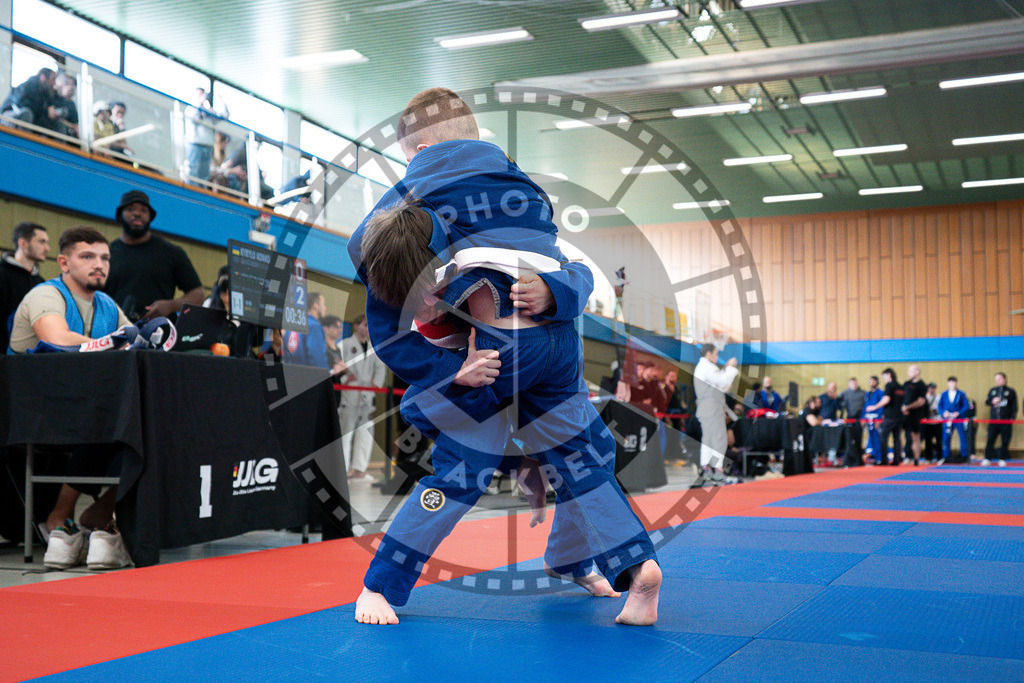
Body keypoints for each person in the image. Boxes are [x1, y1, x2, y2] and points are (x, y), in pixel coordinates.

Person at [348, 87, 659, 627]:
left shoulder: (417, 185)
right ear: (473, 134)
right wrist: (555, 295)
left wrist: (446, 373)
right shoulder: (526, 189)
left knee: (459, 474)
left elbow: (365, 251)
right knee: (587, 458)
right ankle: (609, 561)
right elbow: (577, 274)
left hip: (491, 348)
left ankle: (382, 587)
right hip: (559, 341)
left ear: (416, 147)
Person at [9, 227, 134, 570]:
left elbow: (133, 348)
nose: (99, 265)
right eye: (88, 256)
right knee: (114, 415)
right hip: (31, 407)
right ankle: (61, 517)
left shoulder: (107, 304)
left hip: (83, 403)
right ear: (63, 262)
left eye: (105, 258)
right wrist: (118, 344)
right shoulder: (45, 294)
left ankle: (100, 513)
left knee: (149, 417)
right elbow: (58, 338)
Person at [103, 189, 205, 322]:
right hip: (115, 334)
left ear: (150, 217)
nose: (137, 214)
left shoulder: (171, 252)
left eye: (143, 210)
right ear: (120, 215)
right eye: (130, 209)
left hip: (160, 335)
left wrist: (170, 306)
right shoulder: (106, 254)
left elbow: (198, 295)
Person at [339, 314, 386, 482]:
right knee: (346, 433)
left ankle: (359, 469)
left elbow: (381, 367)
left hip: (367, 393)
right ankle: (342, 470)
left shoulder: (374, 348)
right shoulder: (344, 345)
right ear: (356, 325)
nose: (368, 328)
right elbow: (336, 366)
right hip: (349, 392)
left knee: (365, 432)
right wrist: (344, 379)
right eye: (365, 325)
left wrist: (377, 383)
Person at [0, 222, 49, 353]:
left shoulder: (41, 282)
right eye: (41, 242)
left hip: (30, 359)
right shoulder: (2, 275)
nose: (47, 248)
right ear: (23, 243)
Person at [693, 343, 739, 484]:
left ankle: (707, 469)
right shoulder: (706, 367)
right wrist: (730, 368)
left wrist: (725, 372)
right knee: (719, 439)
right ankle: (717, 470)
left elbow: (720, 384)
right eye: (716, 354)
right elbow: (723, 381)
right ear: (709, 354)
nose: (717, 357)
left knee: (709, 440)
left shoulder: (703, 367)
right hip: (711, 408)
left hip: (708, 408)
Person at [183, 87, 225, 183]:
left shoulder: (209, 111)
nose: (202, 97)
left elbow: (224, 115)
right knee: (193, 171)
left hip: (208, 145)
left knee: (204, 174)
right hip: (195, 144)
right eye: (199, 95)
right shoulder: (190, 108)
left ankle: (202, 191)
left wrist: (219, 98)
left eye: (203, 95)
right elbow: (194, 117)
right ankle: (191, 191)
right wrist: (199, 103)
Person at [282, 291, 329, 369]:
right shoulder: (314, 326)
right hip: (308, 376)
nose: (325, 308)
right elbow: (316, 357)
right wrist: (325, 375)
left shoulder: (292, 325)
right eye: (323, 304)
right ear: (315, 306)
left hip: (290, 374)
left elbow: (285, 353)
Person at [867, 368, 904, 465]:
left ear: (888, 375)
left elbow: (886, 399)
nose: (883, 379)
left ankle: (884, 460)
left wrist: (874, 407)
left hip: (890, 416)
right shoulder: (900, 387)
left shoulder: (889, 385)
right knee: (897, 438)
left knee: (883, 437)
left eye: (884, 376)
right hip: (899, 416)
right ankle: (897, 460)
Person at [985, 372, 1017, 465]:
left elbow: (1014, 406)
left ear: (1004, 379)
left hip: (1005, 421)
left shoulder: (1010, 391)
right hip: (994, 420)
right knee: (990, 439)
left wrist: (1012, 418)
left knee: (1005, 440)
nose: (998, 381)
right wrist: (992, 401)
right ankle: (987, 458)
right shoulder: (993, 390)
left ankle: (1002, 458)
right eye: (996, 380)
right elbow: (987, 402)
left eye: (1000, 379)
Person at [937, 376, 970, 464]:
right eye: (950, 382)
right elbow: (940, 406)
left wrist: (958, 413)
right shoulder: (944, 394)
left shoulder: (961, 394)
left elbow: (966, 406)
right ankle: (946, 456)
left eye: (954, 382)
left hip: (958, 419)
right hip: (948, 419)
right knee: (946, 437)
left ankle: (964, 456)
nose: (952, 384)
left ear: (956, 383)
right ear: (948, 383)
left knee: (963, 437)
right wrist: (943, 413)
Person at [901, 364, 928, 466]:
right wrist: (903, 408)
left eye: (911, 371)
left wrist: (908, 407)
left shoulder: (922, 385)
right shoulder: (906, 384)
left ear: (917, 372)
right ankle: (901, 456)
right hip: (904, 414)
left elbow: (921, 401)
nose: (908, 373)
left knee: (915, 437)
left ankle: (916, 459)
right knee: (898, 433)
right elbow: (902, 398)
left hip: (915, 415)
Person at [839, 377, 866, 467]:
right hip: (850, 418)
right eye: (852, 383)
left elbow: (867, 405)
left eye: (855, 383)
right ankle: (849, 460)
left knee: (859, 439)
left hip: (860, 418)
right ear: (849, 384)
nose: (854, 385)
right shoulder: (845, 393)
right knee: (849, 440)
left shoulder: (863, 393)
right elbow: (838, 401)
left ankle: (859, 459)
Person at [43, 72, 78, 137]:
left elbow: (75, 124)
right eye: (67, 84)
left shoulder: (71, 104)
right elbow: (52, 116)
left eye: (73, 85)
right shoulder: (51, 97)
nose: (71, 87)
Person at [861, 376, 884, 463]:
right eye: (870, 382)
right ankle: (873, 455)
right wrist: (862, 418)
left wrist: (878, 419)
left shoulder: (880, 393)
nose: (871, 383)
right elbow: (865, 407)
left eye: (873, 381)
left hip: (876, 418)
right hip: (868, 418)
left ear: (877, 382)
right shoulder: (868, 394)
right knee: (870, 437)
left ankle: (879, 457)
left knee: (877, 438)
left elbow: (881, 407)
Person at [922, 383, 942, 463]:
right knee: (928, 441)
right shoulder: (925, 397)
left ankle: (939, 457)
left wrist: (935, 411)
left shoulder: (939, 397)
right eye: (930, 388)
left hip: (937, 421)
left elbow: (941, 407)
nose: (931, 390)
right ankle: (928, 458)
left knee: (939, 441)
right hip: (928, 422)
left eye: (933, 388)